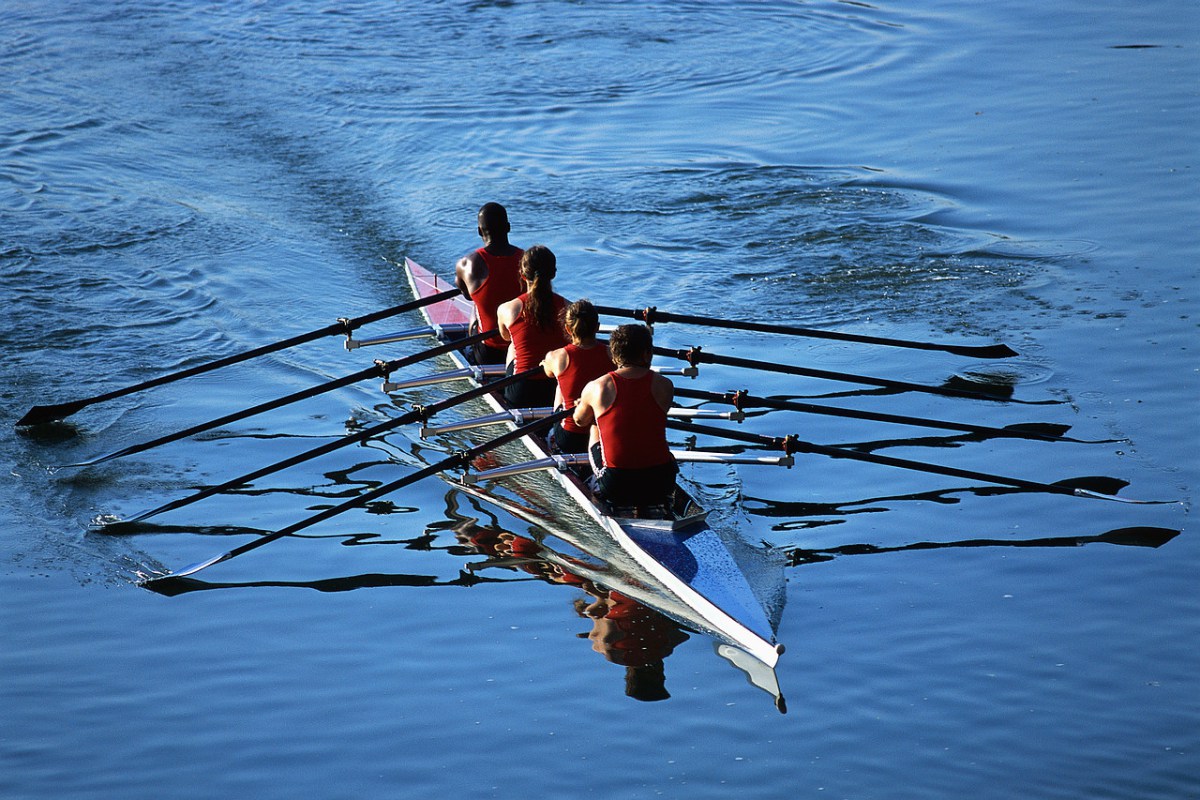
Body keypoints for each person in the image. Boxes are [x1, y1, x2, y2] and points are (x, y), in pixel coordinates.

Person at [572, 323, 678, 514]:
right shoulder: (665, 385)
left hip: (617, 485)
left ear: (613, 356)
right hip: (661, 481)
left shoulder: (596, 387)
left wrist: (585, 404)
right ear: (646, 354)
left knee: (595, 426)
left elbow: (579, 420)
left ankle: (597, 486)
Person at [496, 245, 569, 408]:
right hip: (555, 388)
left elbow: (505, 337)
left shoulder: (507, 309)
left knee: (512, 347)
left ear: (522, 275)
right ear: (554, 274)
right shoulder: (569, 308)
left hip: (521, 392)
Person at [542, 299, 615, 454]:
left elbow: (548, 373)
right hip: (603, 433)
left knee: (559, 385)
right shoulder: (613, 354)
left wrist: (545, 363)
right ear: (597, 327)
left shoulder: (556, 356)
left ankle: (552, 441)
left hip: (570, 436)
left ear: (568, 329)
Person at [454, 202, 524, 365]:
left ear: (479, 231)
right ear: (508, 227)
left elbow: (467, 295)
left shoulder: (466, 265)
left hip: (489, 353)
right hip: (521, 348)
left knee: (475, 302)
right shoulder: (527, 260)